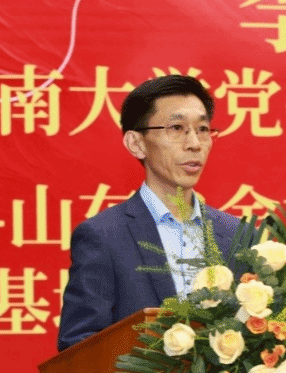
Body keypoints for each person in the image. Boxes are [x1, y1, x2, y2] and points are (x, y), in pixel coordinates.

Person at [56, 74, 242, 351]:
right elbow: (78, 347)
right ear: (136, 143)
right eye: (177, 128)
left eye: (203, 129)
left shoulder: (237, 234)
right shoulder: (103, 237)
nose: (195, 143)